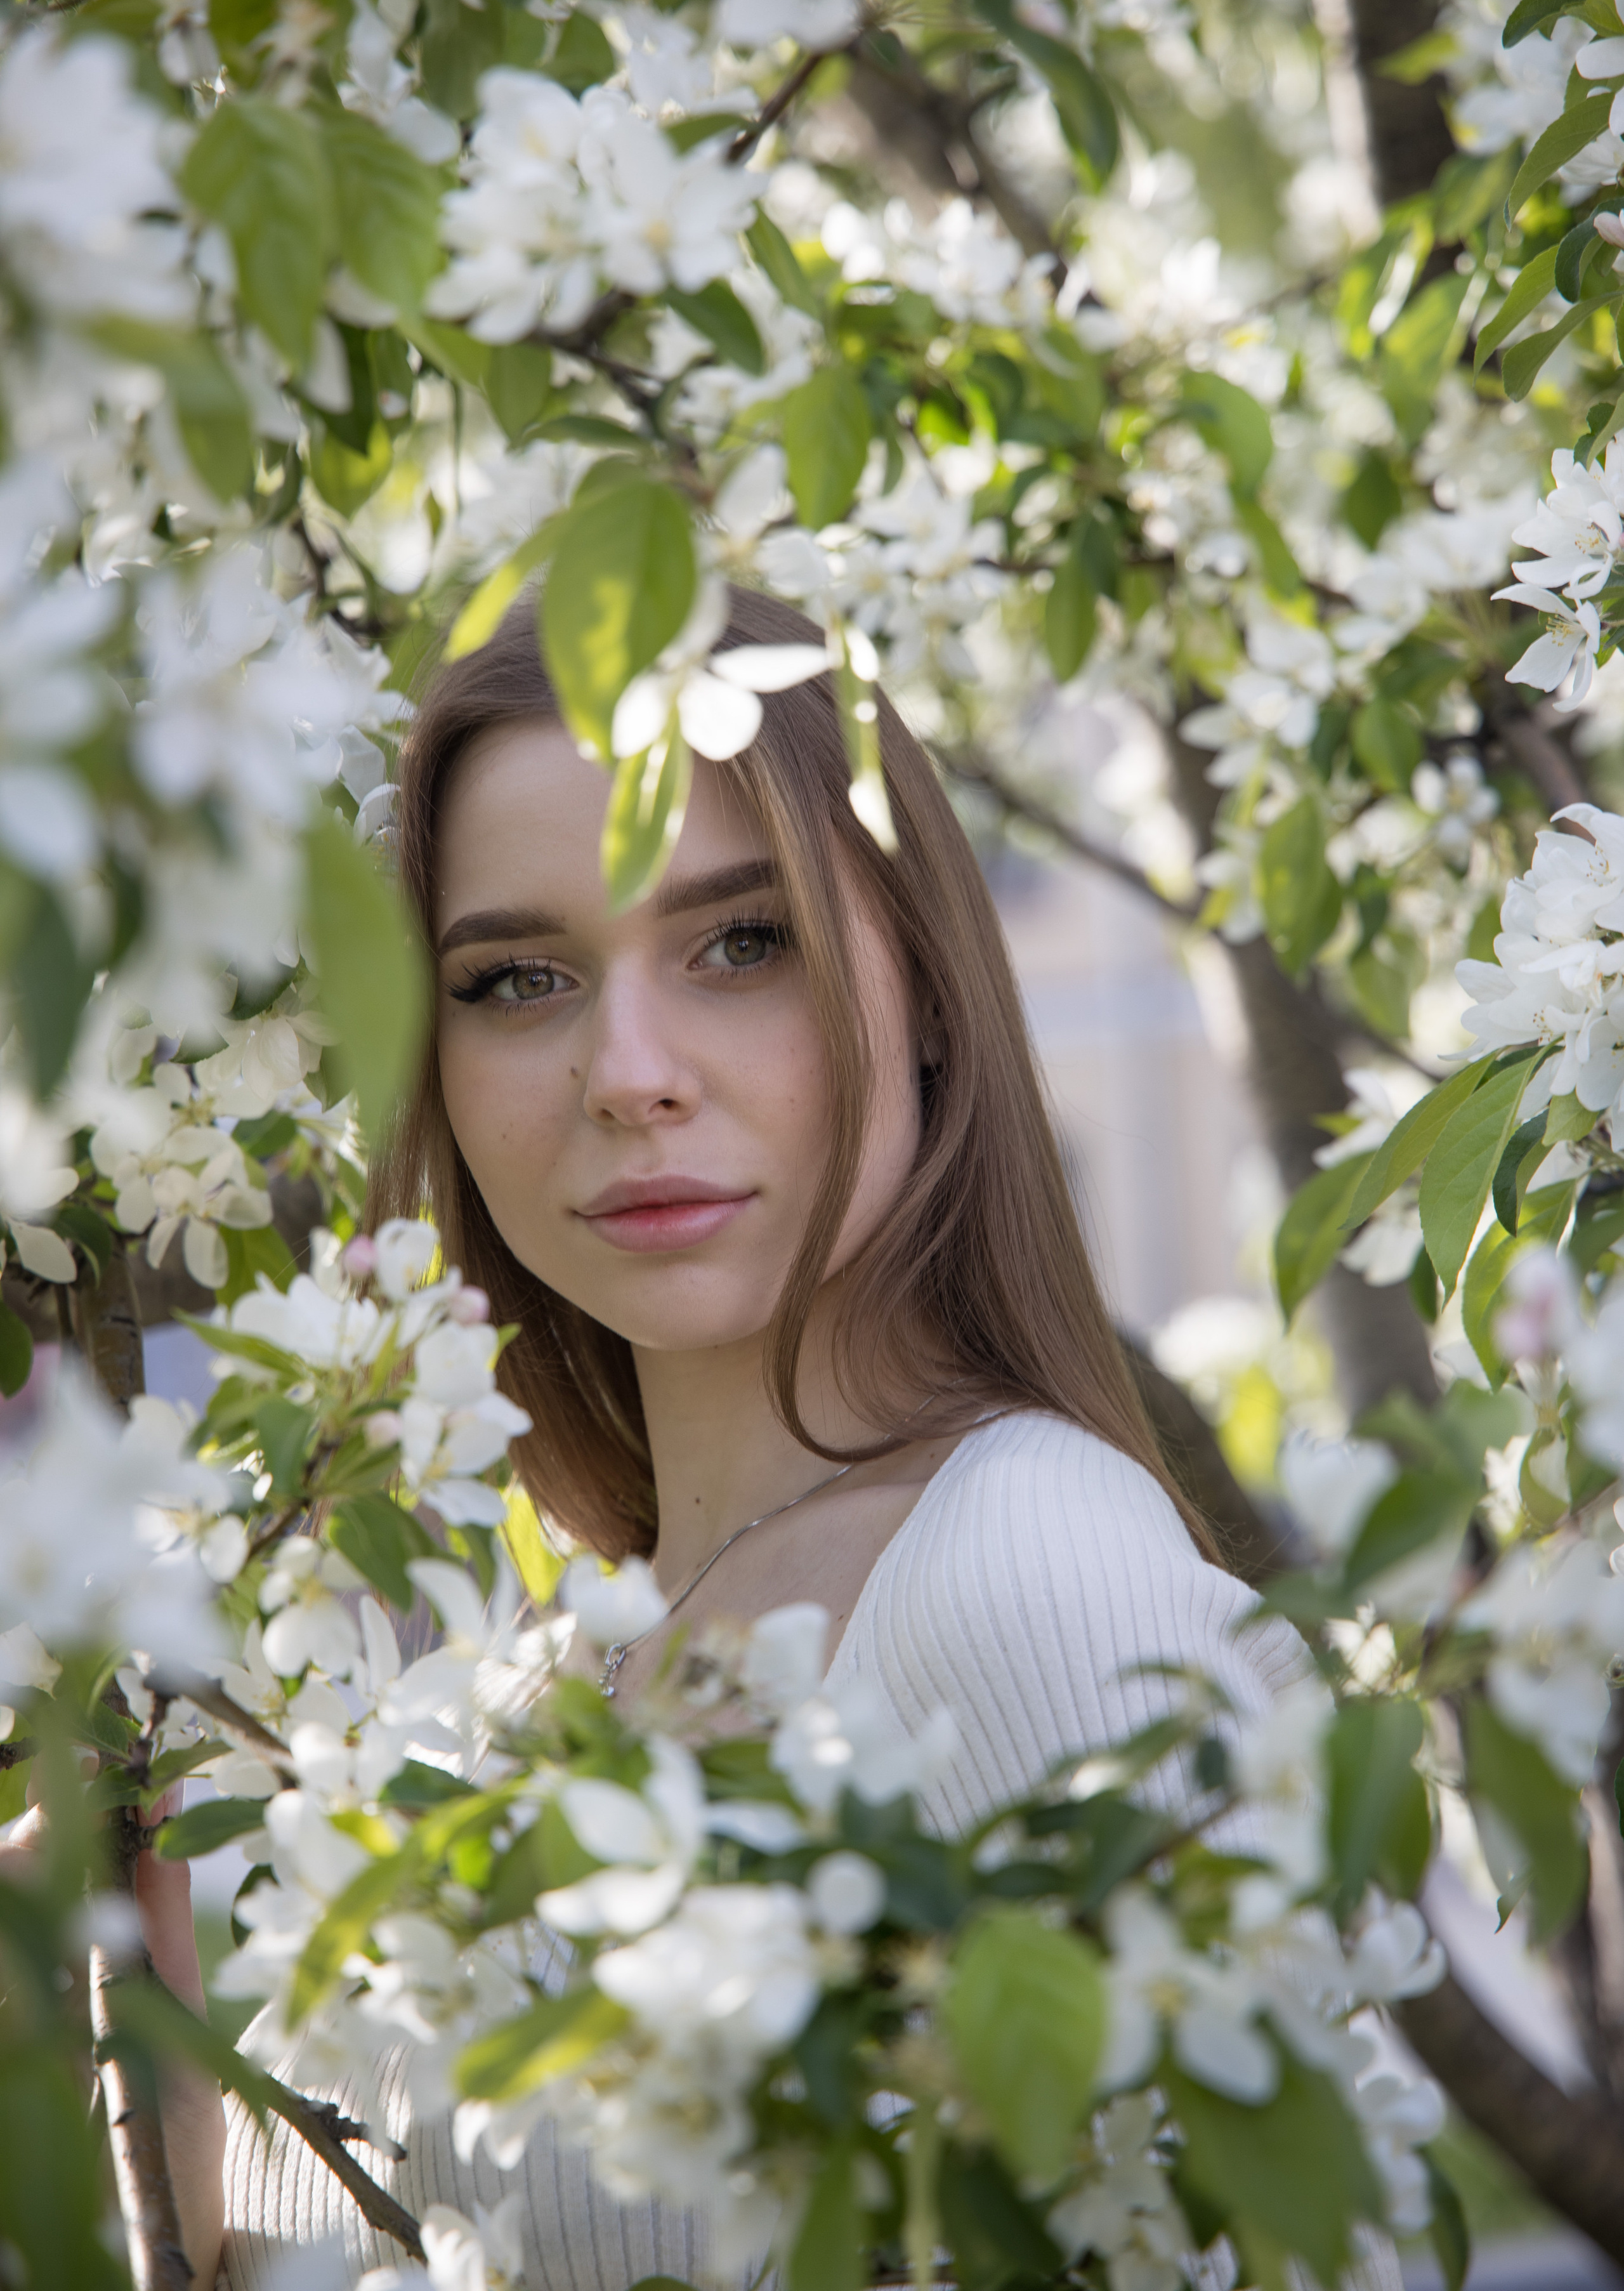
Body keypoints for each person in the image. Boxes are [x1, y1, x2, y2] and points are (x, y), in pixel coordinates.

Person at [139, 586, 1373, 2286]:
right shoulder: (520, 1695)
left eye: (742, 941)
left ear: (927, 987)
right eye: (516, 979)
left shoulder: (1028, 1571)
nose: (627, 1072)